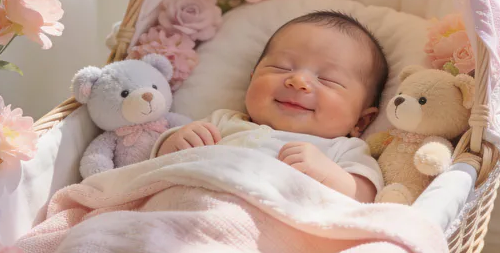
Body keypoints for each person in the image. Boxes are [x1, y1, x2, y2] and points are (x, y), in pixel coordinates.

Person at [153, 11, 388, 203]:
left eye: (328, 80)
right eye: (281, 67)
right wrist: (176, 142)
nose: (298, 81)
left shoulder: (343, 150)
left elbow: (365, 198)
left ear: (361, 121)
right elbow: (156, 165)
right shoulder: (222, 121)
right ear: (252, 79)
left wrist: (327, 174)